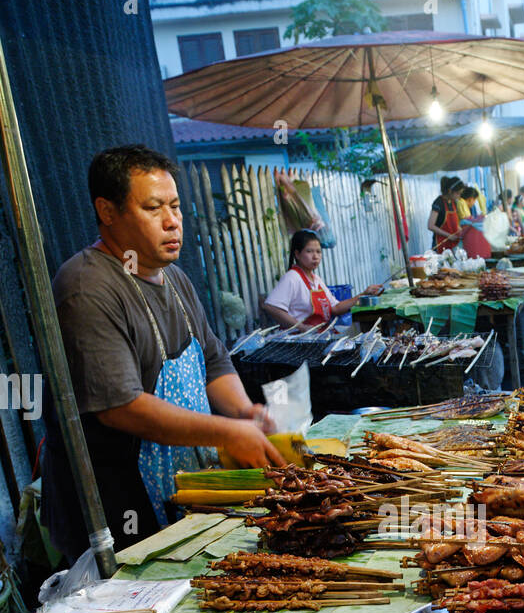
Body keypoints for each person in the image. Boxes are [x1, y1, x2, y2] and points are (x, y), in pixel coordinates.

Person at [42, 145, 286, 562]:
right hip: (117, 505)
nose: (172, 221)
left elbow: (213, 360)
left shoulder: (174, 278)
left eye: (175, 206)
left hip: (177, 490)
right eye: (153, 208)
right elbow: (121, 407)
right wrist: (226, 432)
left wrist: (244, 413)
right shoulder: (87, 287)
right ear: (108, 211)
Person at [263, 229, 379, 330]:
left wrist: (364, 294)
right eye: (309, 251)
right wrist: (301, 327)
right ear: (297, 254)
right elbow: (271, 307)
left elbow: (335, 308)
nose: (315, 256)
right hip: (297, 340)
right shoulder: (292, 277)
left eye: (318, 251)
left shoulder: (316, 280)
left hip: (317, 336)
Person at [427, 176, 463, 252]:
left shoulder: (454, 203)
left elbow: (454, 224)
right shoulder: (438, 202)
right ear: (450, 191)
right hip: (440, 244)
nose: (459, 196)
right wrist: (449, 236)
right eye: (457, 193)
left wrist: (461, 231)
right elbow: (430, 225)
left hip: (452, 245)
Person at [456, 186, 492, 260]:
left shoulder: (462, 203)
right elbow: (466, 222)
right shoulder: (461, 203)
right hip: (463, 239)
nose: (474, 203)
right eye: (474, 200)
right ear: (471, 198)